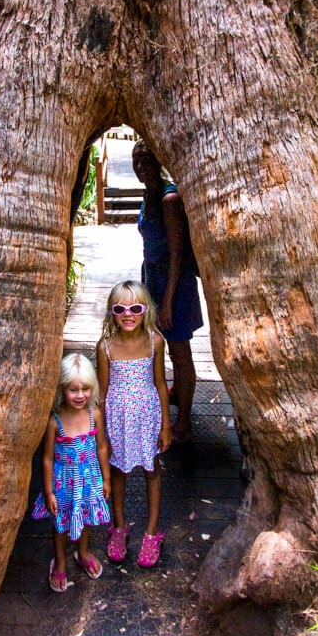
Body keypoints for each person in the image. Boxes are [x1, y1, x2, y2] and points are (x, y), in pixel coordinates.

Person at [96, 280, 171, 568]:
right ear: (112, 313)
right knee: (118, 472)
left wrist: (166, 424)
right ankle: (118, 526)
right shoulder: (104, 347)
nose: (128, 314)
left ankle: (152, 532)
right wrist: (100, 432)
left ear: (145, 311)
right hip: (117, 418)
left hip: (148, 416)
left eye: (135, 308)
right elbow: (102, 393)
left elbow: (161, 384)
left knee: (152, 471)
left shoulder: (155, 341)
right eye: (120, 309)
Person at [132, 141, 203, 442]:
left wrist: (168, 302)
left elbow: (176, 253)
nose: (141, 168)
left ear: (158, 162)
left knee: (179, 349)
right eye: (137, 163)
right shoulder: (148, 196)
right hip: (154, 280)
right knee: (165, 345)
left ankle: (184, 421)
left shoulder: (168, 198)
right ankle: (175, 393)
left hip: (174, 283)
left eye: (147, 162)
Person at [32, 353, 111, 592]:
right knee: (60, 523)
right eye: (73, 390)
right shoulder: (54, 421)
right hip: (63, 483)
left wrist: (106, 478)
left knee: (85, 517)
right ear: (62, 389)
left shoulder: (94, 414)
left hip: (88, 481)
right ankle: (60, 559)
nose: (80, 396)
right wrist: (48, 492)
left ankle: (83, 551)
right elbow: (46, 458)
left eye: (85, 389)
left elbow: (102, 447)